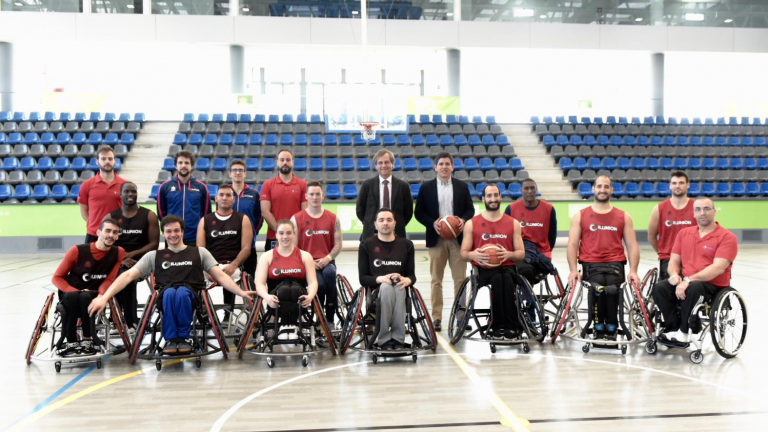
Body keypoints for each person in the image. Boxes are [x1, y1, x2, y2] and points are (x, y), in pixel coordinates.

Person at [88, 215, 257, 355]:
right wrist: (104, 297)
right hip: (165, 296)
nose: (173, 234)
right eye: (169, 231)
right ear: (163, 233)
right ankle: (171, 339)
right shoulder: (154, 255)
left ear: (182, 232)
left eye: (176, 230)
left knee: (181, 292)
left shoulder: (199, 252)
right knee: (170, 293)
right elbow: (127, 276)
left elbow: (220, 276)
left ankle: (182, 338)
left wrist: (241, 293)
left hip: (191, 297)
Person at [652, 197, 738, 346]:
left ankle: (685, 332)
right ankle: (673, 328)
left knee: (694, 288)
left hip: (712, 285)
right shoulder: (684, 233)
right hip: (687, 281)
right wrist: (673, 275)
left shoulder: (727, 237)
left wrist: (688, 280)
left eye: (706, 209)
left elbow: (718, 268)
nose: (702, 213)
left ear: (714, 212)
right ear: (693, 213)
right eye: (698, 209)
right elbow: (674, 260)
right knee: (660, 287)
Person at [567, 176, 640, 340]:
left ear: (611, 190)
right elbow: (572, 244)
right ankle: (598, 325)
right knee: (599, 285)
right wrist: (573, 270)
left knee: (613, 286)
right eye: (599, 186)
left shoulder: (623, 216)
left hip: (615, 263)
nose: (602, 190)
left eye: (606, 186)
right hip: (591, 263)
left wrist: (633, 270)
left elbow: (632, 245)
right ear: (593, 189)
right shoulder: (580, 215)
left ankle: (613, 325)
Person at [414, 152, 474, 331]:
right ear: (435, 167)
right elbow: (419, 213)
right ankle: (437, 317)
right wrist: (432, 223)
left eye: (447, 164)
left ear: (452, 167)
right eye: (441, 164)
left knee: (460, 280)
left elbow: (470, 210)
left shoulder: (462, 186)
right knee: (436, 281)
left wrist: (462, 220)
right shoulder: (426, 188)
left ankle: (461, 317)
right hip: (436, 238)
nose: (444, 167)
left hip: (458, 239)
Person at [460, 184, 525, 339]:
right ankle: (497, 324)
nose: (493, 199)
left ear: (500, 197)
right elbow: (463, 253)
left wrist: (509, 254)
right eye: (489, 196)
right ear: (483, 199)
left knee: (506, 278)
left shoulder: (513, 223)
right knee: (497, 278)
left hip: (507, 266)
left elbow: (521, 253)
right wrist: (473, 255)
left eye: (496, 195)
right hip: (483, 269)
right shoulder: (471, 224)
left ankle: (511, 325)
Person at [52, 219, 125, 355]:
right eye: (107, 231)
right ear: (98, 232)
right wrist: (75, 291)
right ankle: (71, 340)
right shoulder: (77, 250)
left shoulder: (118, 252)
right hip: (71, 293)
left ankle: (88, 339)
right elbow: (57, 277)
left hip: (94, 294)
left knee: (86, 296)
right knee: (77, 295)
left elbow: (109, 279)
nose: (111, 235)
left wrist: (101, 296)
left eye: (115, 232)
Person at [358, 208, 416, 349]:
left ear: (395, 223)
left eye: (389, 220)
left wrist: (407, 280)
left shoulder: (407, 245)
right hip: (376, 291)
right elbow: (363, 278)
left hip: (399, 289)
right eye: (381, 220)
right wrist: (380, 279)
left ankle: (398, 339)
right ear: (375, 224)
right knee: (386, 286)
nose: (385, 223)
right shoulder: (366, 245)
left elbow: (411, 275)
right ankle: (384, 338)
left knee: (399, 286)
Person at [105, 182, 160, 330]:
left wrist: (132, 255)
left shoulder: (149, 215)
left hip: (142, 261)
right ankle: (118, 317)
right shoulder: (111, 217)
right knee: (119, 272)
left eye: (133, 192)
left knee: (126, 276)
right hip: (119, 260)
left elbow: (154, 244)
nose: (130, 195)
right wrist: (122, 258)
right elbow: (106, 243)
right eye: (127, 192)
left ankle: (129, 320)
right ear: (120, 194)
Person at [290, 181, 342, 325]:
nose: (314, 197)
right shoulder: (296, 219)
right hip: (307, 263)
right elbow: (293, 248)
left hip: (327, 261)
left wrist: (328, 258)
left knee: (330, 274)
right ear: (306, 196)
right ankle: (318, 317)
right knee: (320, 284)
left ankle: (330, 317)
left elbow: (338, 244)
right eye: (311, 194)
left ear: (323, 196)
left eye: (317, 194)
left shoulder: (333, 218)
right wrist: (309, 261)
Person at [253, 219, 318, 334]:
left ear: (294, 234)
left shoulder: (305, 256)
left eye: (288, 233)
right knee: (283, 291)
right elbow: (260, 283)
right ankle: (281, 319)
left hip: (299, 299)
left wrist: (310, 296)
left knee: (293, 290)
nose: (285, 236)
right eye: (281, 233)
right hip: (276, 299)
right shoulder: (267, 256)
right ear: (276, 235)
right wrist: (266, 297)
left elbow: (313, 282)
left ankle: (294, 319)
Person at [196, 184, 253, 312]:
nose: (224, 198)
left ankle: (228, 316)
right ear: (216, 198)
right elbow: (200, 250)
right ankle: (204, 315)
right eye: (221, 195)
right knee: (195, 278)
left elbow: (246, 248)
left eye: (228, 195)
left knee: (229, 275)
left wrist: (234, 265)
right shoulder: (205, 220)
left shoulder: (243, 219)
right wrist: (206, 269)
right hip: (210, 266)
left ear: (234, 199)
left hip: (232, 266)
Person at [504, 178, 557, 284]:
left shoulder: (549, 209)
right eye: (526, 188)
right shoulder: (511, 209)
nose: (530, 191)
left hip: (542, 254)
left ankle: (527, 295)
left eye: (532, 188)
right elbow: (506, 235)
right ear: (521, 190)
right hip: (521, 253)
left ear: (536, 189)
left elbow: (552, 235)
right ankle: (527, 298)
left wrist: (546, 249)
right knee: (525, 270)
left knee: (528, 271)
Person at [648, 171, 696, 280]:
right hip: (668, 259)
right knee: (668, 289)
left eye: (681, 183)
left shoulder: (696, 207)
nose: (677, 186)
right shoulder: (659, 208)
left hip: (692, 259)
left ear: (688, 185)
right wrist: (663, 253)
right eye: (674, 183)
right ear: (670, 186)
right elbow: (651, 237)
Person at [356, 149, 413, 241]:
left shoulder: (403, 186)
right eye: (380, 163)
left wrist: (395, 225)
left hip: (397, 234)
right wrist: (372, 224)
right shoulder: (367, 185)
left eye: (386, 162)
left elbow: (408, 212)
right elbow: (360, 209)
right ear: (376, 166)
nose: (383, 165)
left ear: (392, 164)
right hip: (371, 234)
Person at [157, 150, 210, 246]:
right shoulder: (165, 186)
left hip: (194, 237)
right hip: (172, 238)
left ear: (192, 166)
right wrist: (170, 229)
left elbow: (206, 214)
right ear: (176, 165)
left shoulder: (201, 187)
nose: (183, 165)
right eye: (180, 163)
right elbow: (161, 213)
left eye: (187, 163)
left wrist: (200, 231)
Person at [78, 146, 127, 243]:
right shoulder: (86, 185)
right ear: (97, 161)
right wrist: (96, 226)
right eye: (103, 159)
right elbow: (84, 212)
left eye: (110, 159)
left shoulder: (125, 185)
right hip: (94, 234)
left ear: (115, 161)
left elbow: (128, 210)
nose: (107, 161)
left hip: (117, 234)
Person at [229, 159, 263, 276]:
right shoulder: (224, 193)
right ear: (230, 173)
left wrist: (252, 232)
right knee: (229, 282)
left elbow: (259, 218)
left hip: (249, 245)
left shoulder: (253, 194)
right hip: (229, 244)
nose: (237, 173)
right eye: (234, 170)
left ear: (245, 173)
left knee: (249, 280)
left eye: (240, 170)